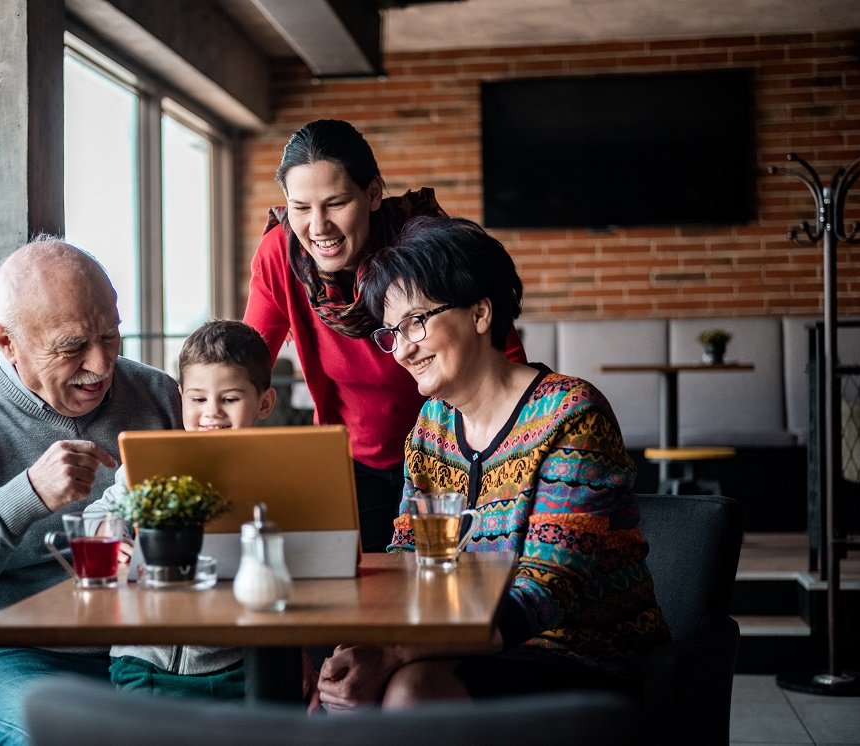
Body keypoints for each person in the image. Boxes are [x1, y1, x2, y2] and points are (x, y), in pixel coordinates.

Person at [315, 216, 670, 711]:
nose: (403, 349)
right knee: (347, 686)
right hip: (471, 650)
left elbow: (549, 588)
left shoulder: (569, 413)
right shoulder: (430, 428)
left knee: (408, 693)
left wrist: (397, 652)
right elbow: (406, 555)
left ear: (481, 313)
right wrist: (369, 646)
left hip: (584, 656)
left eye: (416, 322)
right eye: (391, 332)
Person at [0, 237, 182, 745]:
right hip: (11, 659)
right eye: (71, 347)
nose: (101, 364)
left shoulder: (158, 396)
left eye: (111, 336)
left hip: (151, 653)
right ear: (6, 342)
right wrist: (25, 497)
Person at [244, 119, 528, 552]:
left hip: (449, 448)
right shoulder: (281, 257)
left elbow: (497, 351)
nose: (318, 226)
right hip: (351, 459)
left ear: (373, 194)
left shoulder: (423, 249)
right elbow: (246, 363)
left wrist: (522, 440)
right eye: (300, 207)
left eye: (336, 203)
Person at [89, 319, 276, 699]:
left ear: (265, 402)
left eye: (229, 399)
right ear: (180, 397)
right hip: (145, 659)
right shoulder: (151, 462)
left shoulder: (279, 475)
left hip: (238, 663)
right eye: (198, 399)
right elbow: (100, 514)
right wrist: (108, 538)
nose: (212, 414)